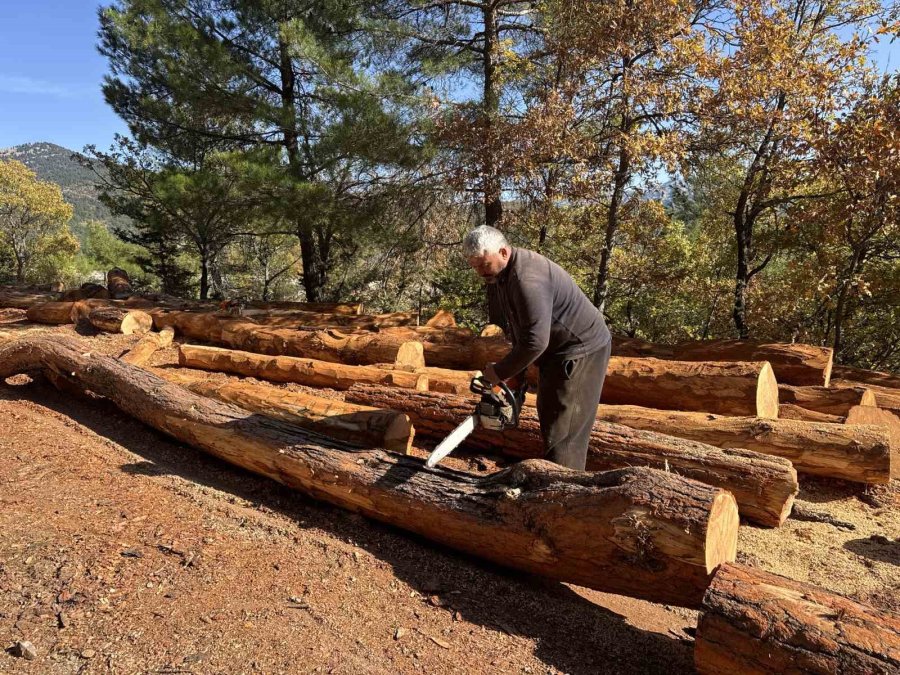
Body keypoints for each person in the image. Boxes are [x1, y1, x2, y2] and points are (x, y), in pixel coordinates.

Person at [463, 225, 611, 471]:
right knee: (550, 415)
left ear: (503, 252)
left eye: (484, 265)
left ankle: (565, 493)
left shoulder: (526, 279)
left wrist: (498, 372)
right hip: (556, 351)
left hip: (582, 350)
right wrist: (514, 377)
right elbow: (524, 332)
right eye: (475, 266)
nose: (480, 272)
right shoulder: (502, 274)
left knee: (564, 433)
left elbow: (535, 342)